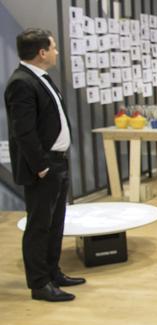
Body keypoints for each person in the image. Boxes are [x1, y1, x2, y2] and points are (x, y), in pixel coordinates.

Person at [4, 28, 86, 302]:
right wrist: (41, 166)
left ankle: (54, 272)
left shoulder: (40, 78)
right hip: (44, 167)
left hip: (56, 163)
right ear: (41, 53)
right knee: (39, 226)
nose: (56, 52)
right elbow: (22, 131)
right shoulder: (21, 83)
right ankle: (40, 284)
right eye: (53, 47)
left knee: (55, 223)